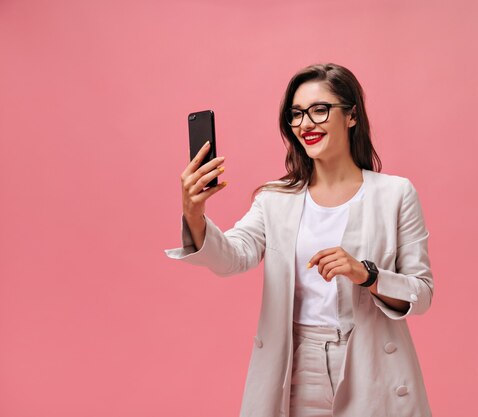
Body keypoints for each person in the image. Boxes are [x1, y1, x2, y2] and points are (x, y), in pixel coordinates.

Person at [164, 62, 435, 417]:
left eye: (319, 110)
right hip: (295, 363)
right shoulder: (275, 199)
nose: (306, 124)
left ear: (351, 116)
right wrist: (194, 213)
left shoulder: (395, 194)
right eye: (296, 114)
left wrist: (367, 274)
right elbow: (231, 256)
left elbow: (422, 292)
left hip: (370, 362)